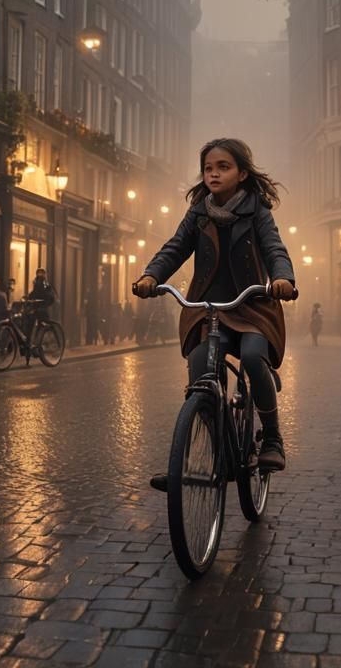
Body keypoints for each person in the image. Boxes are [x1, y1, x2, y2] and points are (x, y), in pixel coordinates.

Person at [133, 138, 297, 489]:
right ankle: (215, 454)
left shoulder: (257, 211)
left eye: (223, 167)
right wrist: (151, 275)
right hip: (209, 308)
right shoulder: (199, 211)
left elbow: (274, 249)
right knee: (200, 370)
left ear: (241, 173)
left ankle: (272, 439)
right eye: (208, 168)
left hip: (253, 304)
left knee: (253, 359)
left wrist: (282, 277)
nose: (214, 174)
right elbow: (175, 247)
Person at [24, 268, 56, 338]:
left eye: (41, 274)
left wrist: (43, 304)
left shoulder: (45, 284)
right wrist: (28, 297)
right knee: (30, 322)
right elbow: (34, 293)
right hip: (37, 307)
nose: (39, 275)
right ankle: (33, 340)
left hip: (42, 308)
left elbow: (49, 296)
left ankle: (43, 339)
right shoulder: (37, 283)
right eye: (38, 273)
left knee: (42, 323)